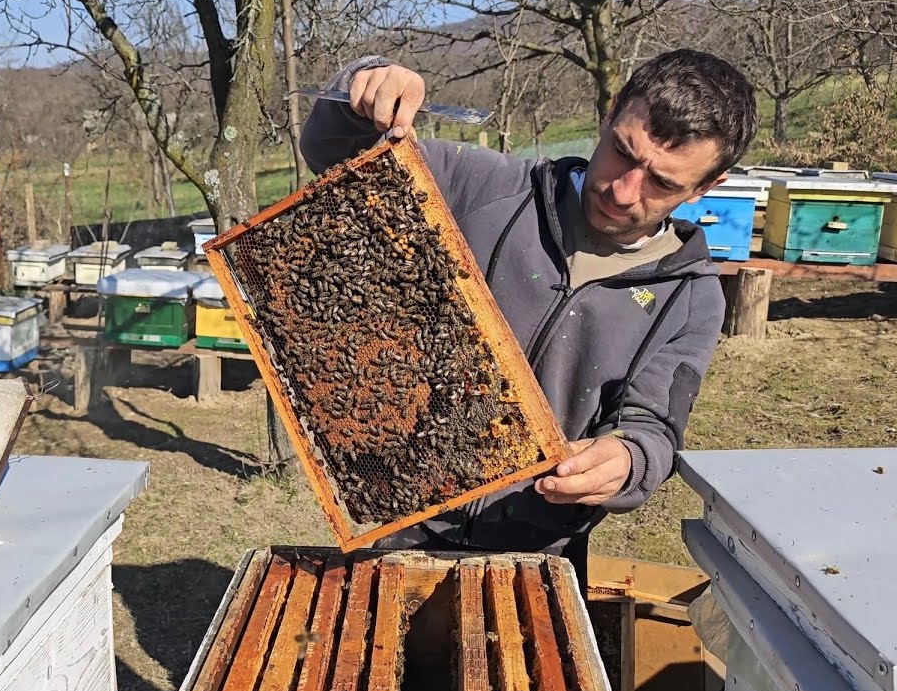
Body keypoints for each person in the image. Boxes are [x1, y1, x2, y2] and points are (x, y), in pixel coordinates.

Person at [299, 49, 759, 586]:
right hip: (405, 520)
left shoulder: (691, 296)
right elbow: (332, 151)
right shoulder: (480, 186)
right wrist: (365, 88)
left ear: (709, 186)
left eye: (662, 182)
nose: (623, 189)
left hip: (540, 554)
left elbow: (653, 426)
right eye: (621, 151)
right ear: (610, 113)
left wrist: (627, 461)